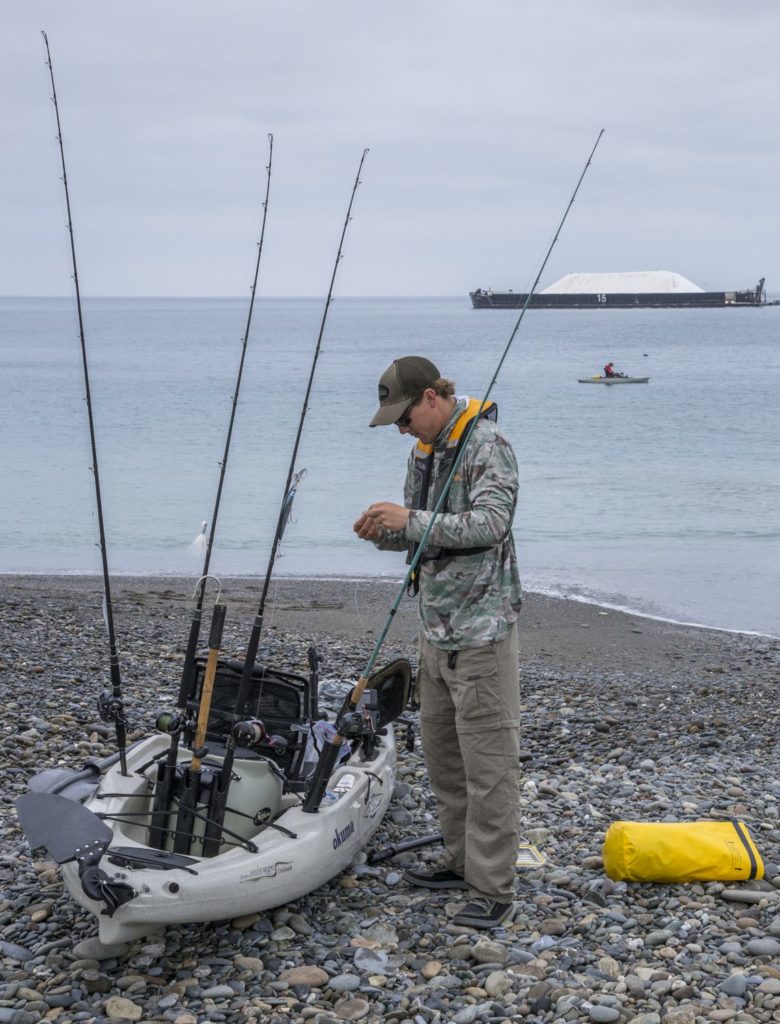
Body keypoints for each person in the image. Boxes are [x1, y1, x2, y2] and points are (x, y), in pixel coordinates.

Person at [353, 355, 522, 929]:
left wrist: (409, 519)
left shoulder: (488, 445)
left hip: (482, 631)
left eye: (405, 418)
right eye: (395, 423)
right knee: (444, 758)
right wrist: (383, 533)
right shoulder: (423, 454)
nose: (402, 429)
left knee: (489, 767)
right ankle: (460, 862)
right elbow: (422, 536)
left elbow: (492, 524)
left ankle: (494, 888)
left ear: (431, 398)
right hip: (435, 629)